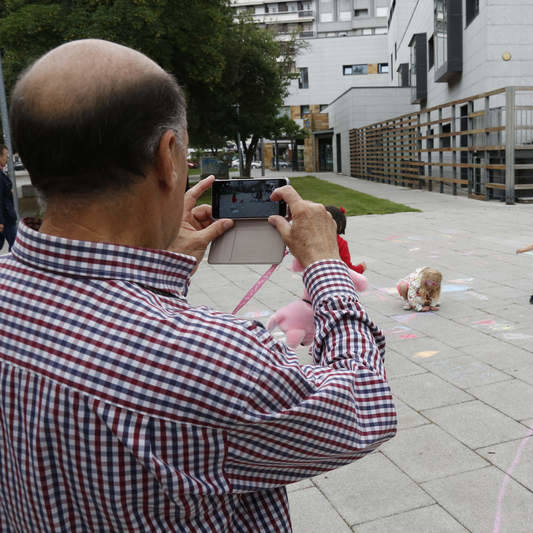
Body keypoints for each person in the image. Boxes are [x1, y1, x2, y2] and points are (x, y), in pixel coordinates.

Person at [0, 39, 396, 531]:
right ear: (168, 157)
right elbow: (361, 407)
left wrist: (164, 274)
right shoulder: (210, 357)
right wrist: (323, 265)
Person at [326, 205, 366, 273]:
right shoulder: (340, 243)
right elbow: (347, 269)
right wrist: (361, 268)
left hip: (316, 279)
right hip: (336, 279)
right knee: (363, 281)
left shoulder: (313, 239)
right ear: (340, 224)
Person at [0, 144, 18, 251]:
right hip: (6, 219)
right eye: (6, 155)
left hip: (7, 217)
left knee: (14, 246)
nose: (7, 158)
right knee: (16, 247)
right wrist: (1, 221)